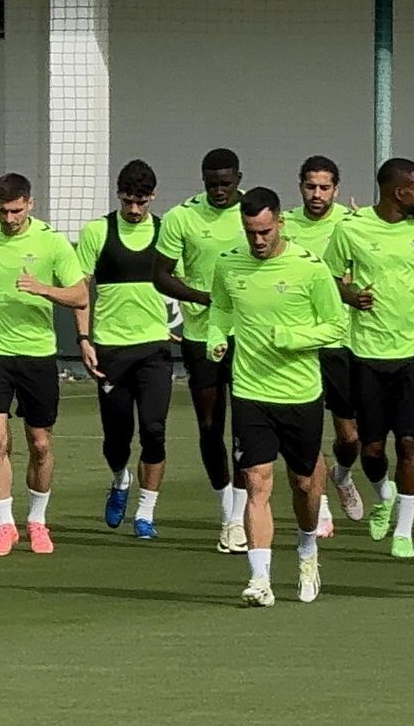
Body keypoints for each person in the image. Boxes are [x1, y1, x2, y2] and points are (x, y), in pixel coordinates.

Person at [207, 188, 345, 607]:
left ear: (280, 222)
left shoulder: (310, 268)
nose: (258, 240)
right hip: (250, 392)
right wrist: (216, 336)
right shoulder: (229, 264)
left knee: (304, 486)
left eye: (265, 231)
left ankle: (306, 549)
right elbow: (219, 308)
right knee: (255, 482)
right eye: (251, 232)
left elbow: (337, 327)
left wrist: (291, 339)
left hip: (300, 393)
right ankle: (260, 580)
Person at [0, 174, 87, 556]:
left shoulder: (52, 242)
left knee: (39, 444)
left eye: (15, 211)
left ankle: (37, 521)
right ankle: (4, 524)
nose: (9, 218)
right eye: (2, 211)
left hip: (38, 354)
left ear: (30, 204)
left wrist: (44, 289)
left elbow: (79, 295)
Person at [325, 158, 414, 558]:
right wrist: (352, 297)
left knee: (408, 442)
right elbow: (332, 278)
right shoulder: (352, 229)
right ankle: (383, 495)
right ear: (398, 192)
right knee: (371, 449)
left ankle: (404, 532)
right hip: (366, 354)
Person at [154, 148, 249, 553]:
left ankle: (238, 519)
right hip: (200, 338)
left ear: (239, 178)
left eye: (226, 183)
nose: (219, 191)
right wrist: (201, 297)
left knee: (247, 429)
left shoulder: (256, 214)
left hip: (249, 339)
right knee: (211, 427)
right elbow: (159, 275)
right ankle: (225, 506)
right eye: (212, 184)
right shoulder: (181, 217)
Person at [75, 160, 175, 540]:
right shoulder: (98, 231)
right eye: (128, 201)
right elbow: (80, 288)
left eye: (142, 202)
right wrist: (84, 340)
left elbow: (183, 280)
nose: (134, 209)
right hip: (111, 350)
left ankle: (146, 512)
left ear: (152, 198)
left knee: (154, 430)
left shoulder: (166, 232)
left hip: (154, 348)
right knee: (117, 439)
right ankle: (120, 478)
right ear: (119, 195)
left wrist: (186, 325)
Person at [281, 155, 363, 537]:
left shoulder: (350, 224)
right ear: (300, 186)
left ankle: (342, 476)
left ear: (337, 189)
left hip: (340, 341)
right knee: (308, 432)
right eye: (310, 186)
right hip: (299, 346)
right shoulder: (285, 225)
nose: (317, 194)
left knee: (350, 437)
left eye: (324, 187)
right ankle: (322, 504)